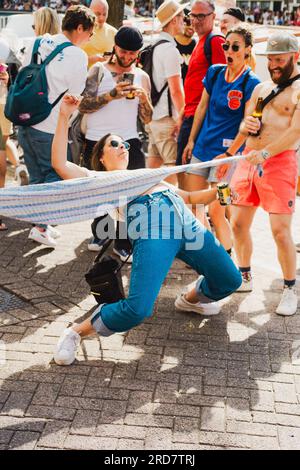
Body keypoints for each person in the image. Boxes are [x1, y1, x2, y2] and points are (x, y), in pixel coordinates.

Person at [52, 94, 242, 366]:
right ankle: (74, 332)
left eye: (125, 144)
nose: (123, 147)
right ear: (102, 159)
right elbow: (60, 165)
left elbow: (192, 198)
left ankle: (189, 300)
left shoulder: (150, 176)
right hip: (154, 235)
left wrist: (219, 192)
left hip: (188, 229)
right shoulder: (104, 180)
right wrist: (63, 117)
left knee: (230, 280)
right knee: (137, 310)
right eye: (114, 144)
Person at [230, 32, 300, 316]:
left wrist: (268, 152)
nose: (273, 65)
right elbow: (250, 123)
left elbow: (296, 130)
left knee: (280, 232)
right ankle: (244, 275)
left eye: (279, 59)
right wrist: (246, 128)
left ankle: (290, 289)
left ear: (294, 57)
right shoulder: (261, 88)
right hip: (249, 161)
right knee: (237, 224)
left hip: (279, 163)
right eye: (270, 59)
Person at [18, 5, 95, 248]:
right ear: (80, 28)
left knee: (36, 176)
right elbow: (75, 96)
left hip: (24, 121)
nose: (90, 39)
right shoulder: (77, 55)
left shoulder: (38, 42)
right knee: (53, 175)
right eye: (90, 33)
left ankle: (41, 224)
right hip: (49, 126)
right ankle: (41, 226)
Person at [183, 26, 260, 252]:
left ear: (247, 50)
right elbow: (202, 108)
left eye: (235, 47)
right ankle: (206, 253)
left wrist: (229, 155)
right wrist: (190, 140)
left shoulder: (251, 82)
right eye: (226, 46)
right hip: (202, 149)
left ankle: (225, 257)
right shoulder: (215, 72)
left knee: (219, 209)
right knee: (195, 205)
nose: (229, 50)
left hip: (227, 156)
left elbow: (247, 125)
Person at [79, 26, 152, 259]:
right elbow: (83, 105)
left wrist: (144, 99)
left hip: (128, 140)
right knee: (100, 192)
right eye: (124, 52)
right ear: (115, 48)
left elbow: (148, 118)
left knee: (131, 194)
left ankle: (124, 241)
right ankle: (100, 232)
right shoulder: (98, 70)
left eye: (133, 54)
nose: (128, 57)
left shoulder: (142, 76)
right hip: (97, 140)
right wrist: (111, 95)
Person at [176, 0, 226, 176]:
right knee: (183, 174)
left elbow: (222, 84)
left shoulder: (215, 41)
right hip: (192, 114)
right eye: (193, 16)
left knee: (187, 176)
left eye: (201, 16)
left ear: (213, 16)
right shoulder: (202, 40)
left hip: (200, 118)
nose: (196, 20)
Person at [146, 0, 185, 184]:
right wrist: (182, 116)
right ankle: (170, 208)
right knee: (173, 167)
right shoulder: (170, 50)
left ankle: (146, 202)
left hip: (154, 117)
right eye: (182, 17)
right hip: (167, 119)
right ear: (174, 20)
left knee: (153, 166)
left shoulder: (154, 46)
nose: (185, 20)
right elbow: (176, 90)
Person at [81, 0, 117, 68]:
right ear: (90, 11)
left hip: (105, 76)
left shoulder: (114, 33)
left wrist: (111, 59)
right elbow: (71, 57)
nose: (101, 18)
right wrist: (91, 59)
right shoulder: (81, 30)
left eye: (104, 14)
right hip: (83, 74)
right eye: (97, 14)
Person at [219, 7, 256, 71]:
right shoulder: (225, 45)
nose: (222, 25)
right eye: (221, 22)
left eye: (225, 22)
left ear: (238, 24)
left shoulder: (246, 52)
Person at [175, 8, 197, 83]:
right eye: (188, 22)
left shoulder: (196, 46)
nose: (191, 27)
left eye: (194, 24)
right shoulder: (170, 44)